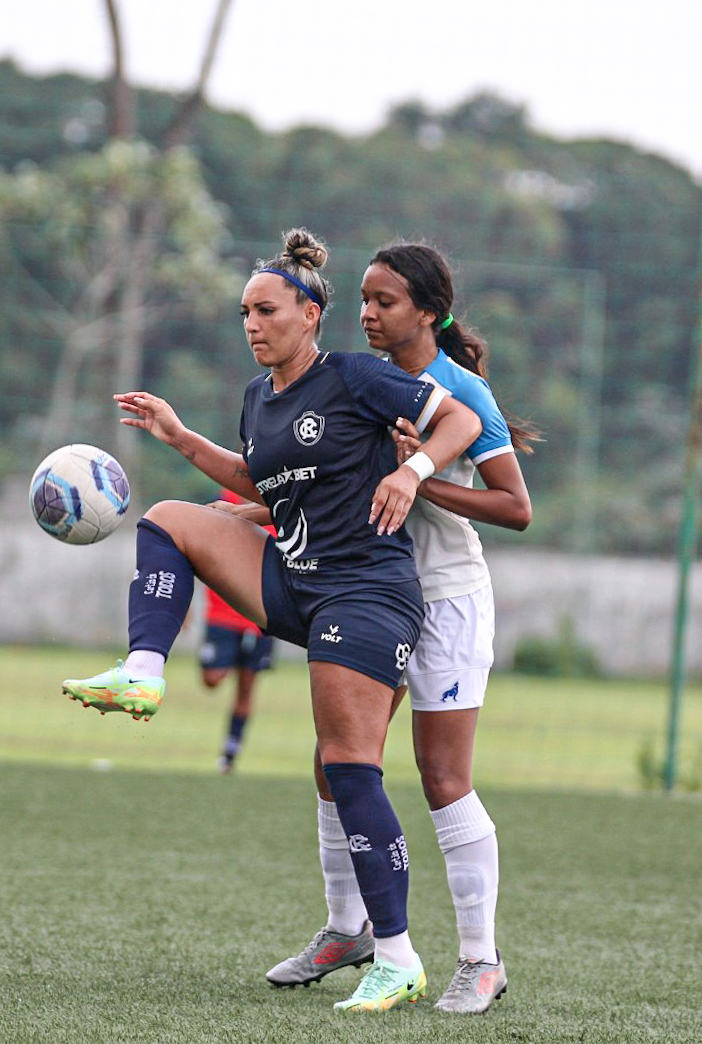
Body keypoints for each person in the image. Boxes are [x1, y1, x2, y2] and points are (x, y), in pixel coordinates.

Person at [61, 227, 482, 1012]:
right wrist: (182, 437)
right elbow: (256, 475)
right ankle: (143, 673)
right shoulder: (259, 397)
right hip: (297, 578)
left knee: (347, 765)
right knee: (169, 519)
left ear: (309, 314)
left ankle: (395, 956)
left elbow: (456, 421)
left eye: (265, 310)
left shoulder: (357, 376)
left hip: (365, 592)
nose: (251, 324)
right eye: (243, 313)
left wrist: (414, 470)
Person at [264, 242, 534, 1014]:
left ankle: (481, 960)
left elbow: (516, 508)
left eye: (385, 301)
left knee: (442, 779)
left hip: (445, 599)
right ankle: (348, 930)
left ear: (428, 312)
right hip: (367, 594)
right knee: (335, 762)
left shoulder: (459, 393)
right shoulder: (354, 379)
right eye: (363, 300)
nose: (369, 314)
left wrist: (420, 481)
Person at [198, 488, 277, 774]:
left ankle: (230, 753)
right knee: (212, 678)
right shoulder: (224, 501)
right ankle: (229, 657)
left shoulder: (276, 501)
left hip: (259, 616)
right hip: (221, 615)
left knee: (246, 686)